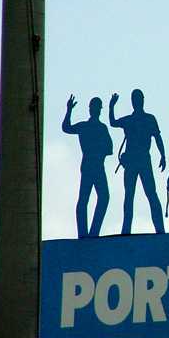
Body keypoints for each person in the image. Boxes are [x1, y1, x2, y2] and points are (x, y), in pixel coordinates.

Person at [109, 89, 166, 234]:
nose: (137, 102)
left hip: (142, 159)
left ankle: (160, 229)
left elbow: (158, 138)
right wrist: (111, 106)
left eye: (138, 99)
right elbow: (113, 122)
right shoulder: (133, 120)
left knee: (150, 193)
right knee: (130, 195)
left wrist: (163, 155)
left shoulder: (148, 119)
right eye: (135, 99)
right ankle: (126, 229)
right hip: (133, 161)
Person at [62, 94, 113, 238]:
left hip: (94, 165)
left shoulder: (100, 128)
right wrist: (69, 110)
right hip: (92, 165)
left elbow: (110, 148)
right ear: (93, 110)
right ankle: (84, 233)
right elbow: (66, 128)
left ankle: (92, 232)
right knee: (87, 198)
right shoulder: (89, 127)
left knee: (100, 197)